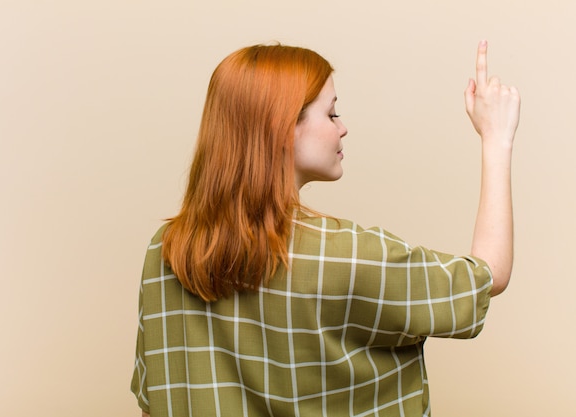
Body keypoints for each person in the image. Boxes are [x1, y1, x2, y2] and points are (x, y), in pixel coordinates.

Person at [131, 41, 520, 416]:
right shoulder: (348, 254)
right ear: (283, 127)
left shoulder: (163, 252)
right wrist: (496, 140)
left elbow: (153, 403)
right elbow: (487, 275)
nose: (343, 127)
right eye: (332, 113)